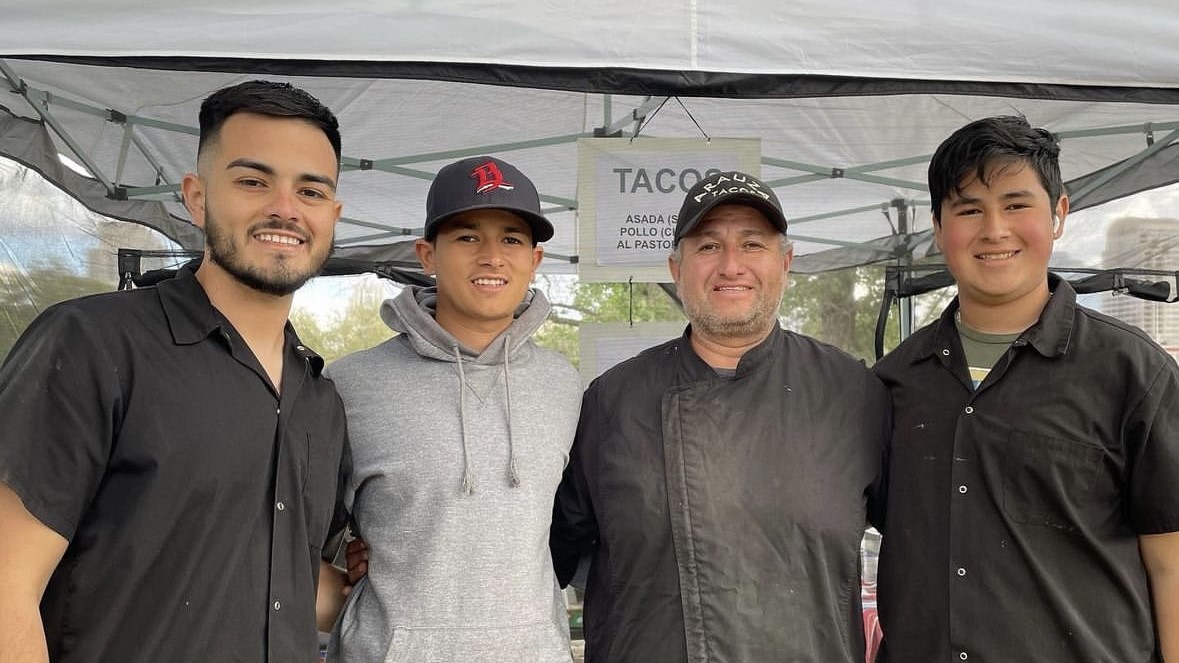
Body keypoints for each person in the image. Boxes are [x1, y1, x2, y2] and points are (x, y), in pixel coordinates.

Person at [0, 80, 349, 663]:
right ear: (197, 196)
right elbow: (8, 586)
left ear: (332, 215)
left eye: (310, 191)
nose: (285, 208)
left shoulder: (321, 399)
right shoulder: (95, 344)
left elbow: (287, 583)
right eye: (252, 181)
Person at [550, 171, 891, 662]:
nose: (731, 265)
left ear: (786, 263)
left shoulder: (854, 392)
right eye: (708, 247)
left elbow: (923, 551)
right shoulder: (612, 401)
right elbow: (546, 559)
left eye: (752, 244)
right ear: (676, 266)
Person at [873, 115, 1179, 662]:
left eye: (1016, 205)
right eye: (969, 209)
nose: (994, 230)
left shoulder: (1134, 372)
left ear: (1059, 213)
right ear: (939, 229)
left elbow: (1171, 560)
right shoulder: (893, 382)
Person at [324, 156, 582, 662]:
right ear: (427, 254)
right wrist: (349, 570)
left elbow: (571, 531)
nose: (491, 256)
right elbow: (293, 533)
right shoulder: (350, 384)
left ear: (534, 259)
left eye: (511, 238)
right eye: (467, 237)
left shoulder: (566, 387)